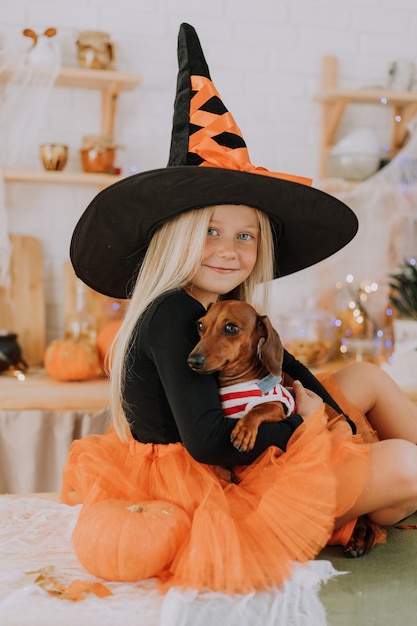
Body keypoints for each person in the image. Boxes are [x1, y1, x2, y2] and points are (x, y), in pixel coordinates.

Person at [62, 24, 417, 594]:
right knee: (404, 464)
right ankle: (358, 508)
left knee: (366, 378)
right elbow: (207, 442)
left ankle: (369, 501)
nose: (230, 250)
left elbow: (287, 369)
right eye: (210, 231)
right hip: (216, 476)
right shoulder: (171, 314)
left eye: (246, 236)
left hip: (248, 435)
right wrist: (301, 427)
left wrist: (335, 420)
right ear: (176, 238)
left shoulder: (222, 306)